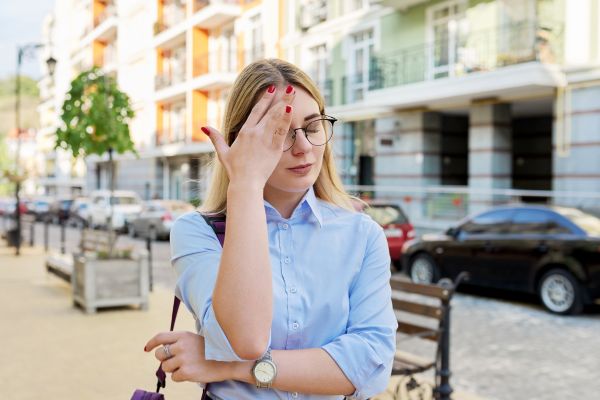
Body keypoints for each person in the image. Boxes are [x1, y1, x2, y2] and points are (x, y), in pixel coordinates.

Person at [144, 59, 397, 400]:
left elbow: (369, 364)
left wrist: (227, 367)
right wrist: (245, 182)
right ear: (241, 143)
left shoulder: (361, 235)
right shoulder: (196, 232)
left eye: (312, 126)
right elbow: (247, 339)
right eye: (279, 133)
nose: (303, 146)